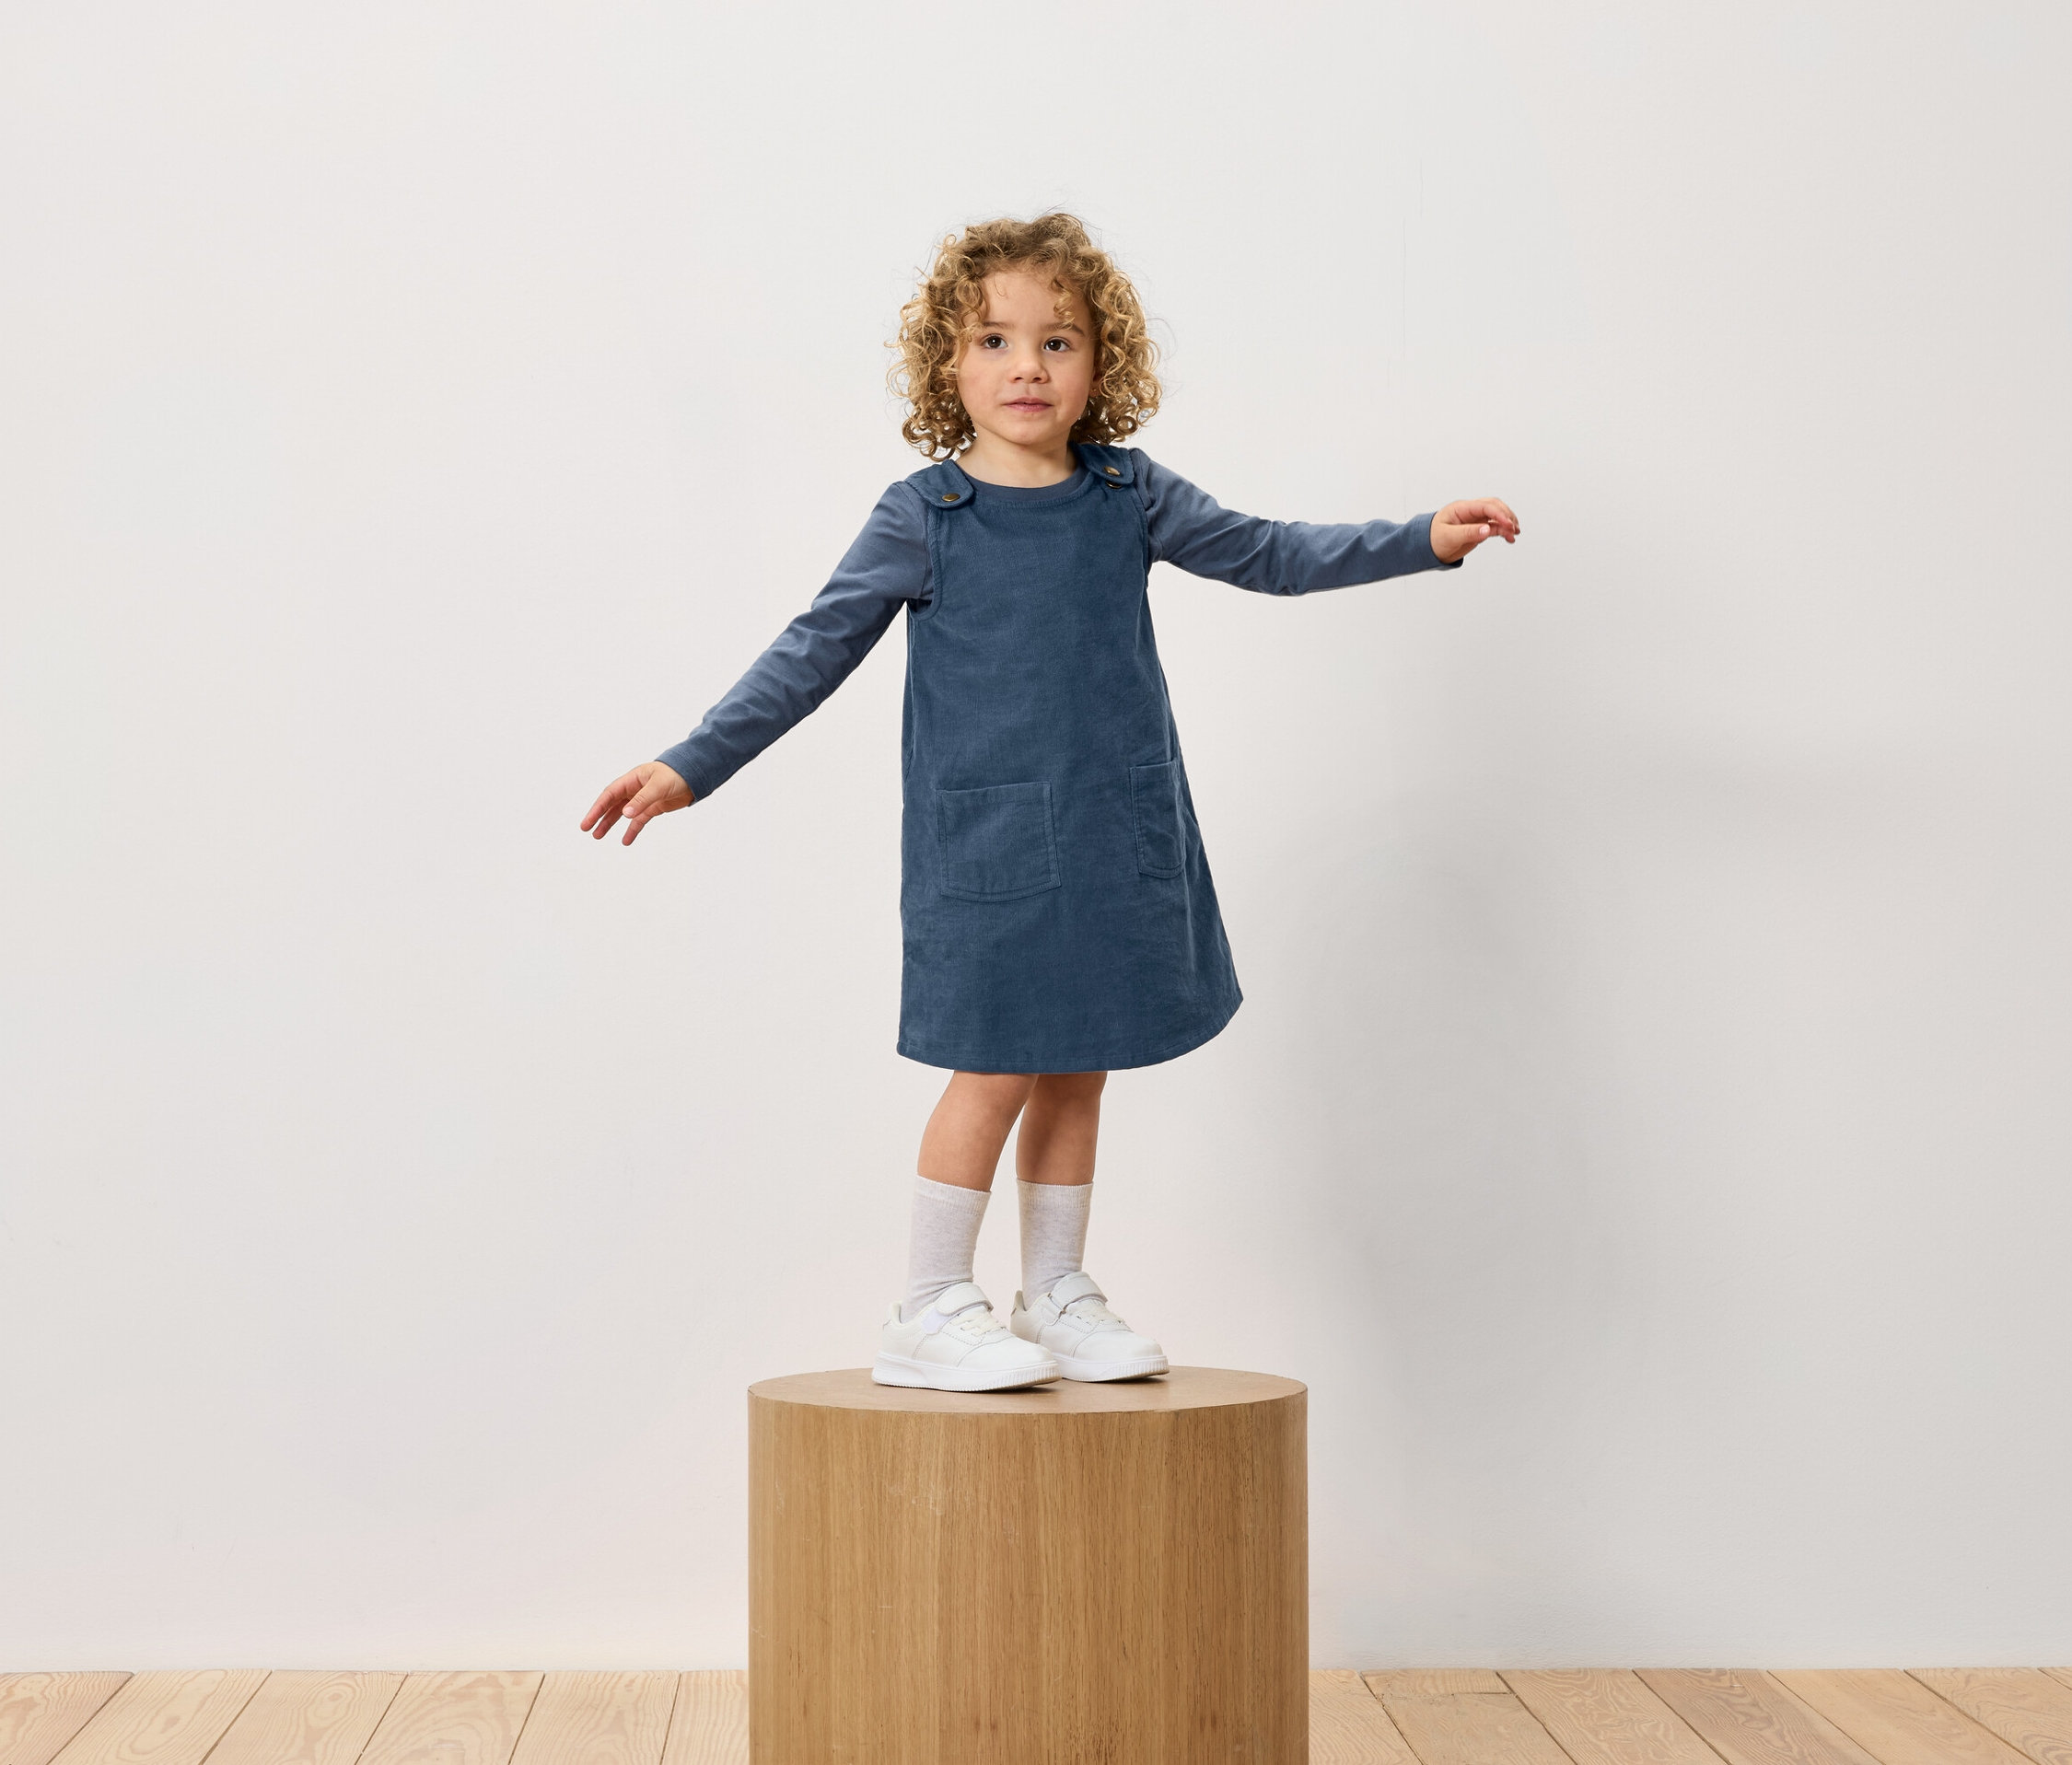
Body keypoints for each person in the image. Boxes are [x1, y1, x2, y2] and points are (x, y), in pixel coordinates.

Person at [581, 213, 1519, 1393]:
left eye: (1059, 342)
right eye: (995, 340)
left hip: (1115, 833)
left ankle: (1055, 1290)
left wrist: (1417, 540)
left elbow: (1270, 552)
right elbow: (811, 650)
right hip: (991, 843)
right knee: (996, 1064)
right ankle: (926, 1302)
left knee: (1080, 1066)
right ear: (949, 367)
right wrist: (692, 763)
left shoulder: (1128, 495)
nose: (1028, 365)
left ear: (1100, 366)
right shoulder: (924, 517)